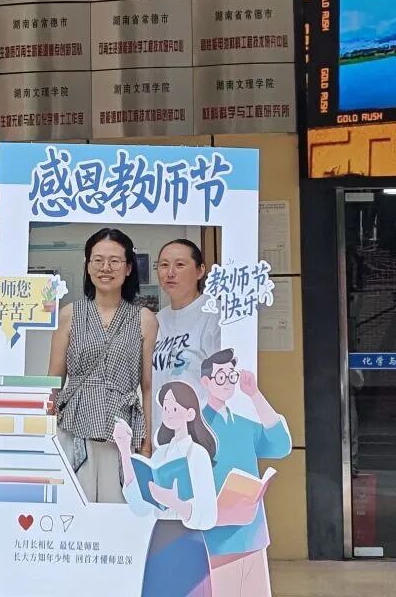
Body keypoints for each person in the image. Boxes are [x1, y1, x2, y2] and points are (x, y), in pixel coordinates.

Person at [49, 227, 158, 503]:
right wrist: (45, 435)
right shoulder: (70, 314)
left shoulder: (144, 319)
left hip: (123, 433)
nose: (105, 267)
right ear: (87, 266)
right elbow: (53, 382)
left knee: (121, 512)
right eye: (97, 260)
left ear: (129, 268)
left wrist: (147, 443)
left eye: (114, 261)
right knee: (73, 509)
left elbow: (147, 386)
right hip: (73, 429)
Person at [200, 348, 291, 597]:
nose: (227, 383)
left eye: (231, 376)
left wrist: (254, 394)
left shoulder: (244, 425)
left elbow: (282, 445)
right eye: (220, 376)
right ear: (205, 382)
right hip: (217, 536)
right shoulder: (196, 427)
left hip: (252, 533)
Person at [113, 382, 218, 597]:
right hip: (160, 537)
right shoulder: (160, 455)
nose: (169, 413)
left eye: (175, 408)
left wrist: (175, 503)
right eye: (166, 408)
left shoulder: (198, 454)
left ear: (190, 413)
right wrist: (124, 450)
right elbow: (140, 506)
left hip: (190, 540)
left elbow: (209, 515)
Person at [153, 239, 221, 433]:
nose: (170, 273)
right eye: (164, 265)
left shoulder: (215, 315)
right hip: (163, 433)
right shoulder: (158, 320)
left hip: (201, 433)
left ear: (200, 271)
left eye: (180, 265)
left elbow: (225, 384)